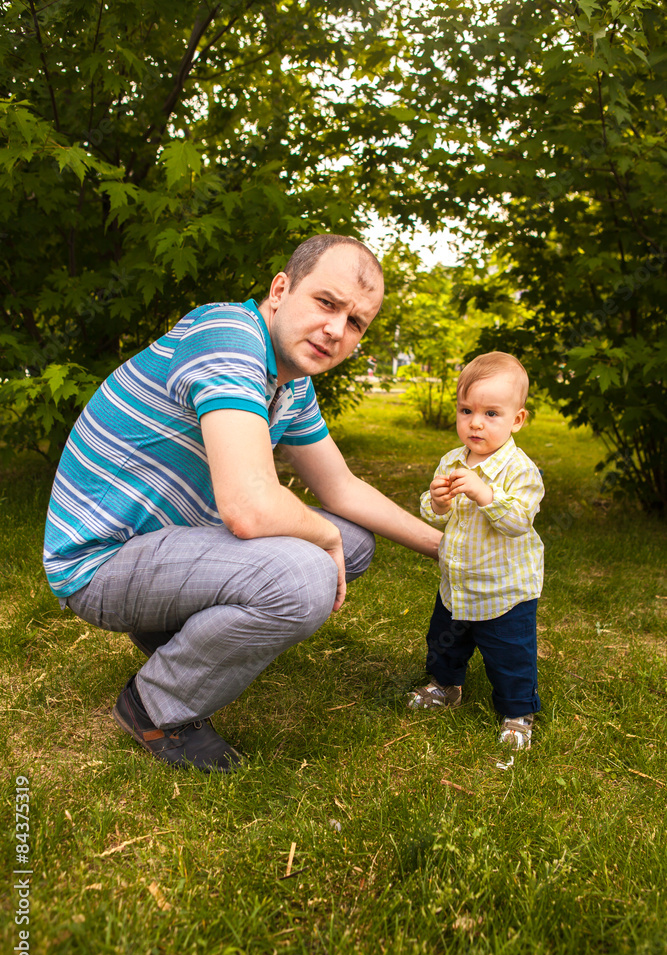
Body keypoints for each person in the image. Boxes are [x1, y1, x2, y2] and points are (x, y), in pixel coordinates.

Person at [43, 234, 442, 773]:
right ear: (281, 289)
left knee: (354, 543)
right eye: (326, 303)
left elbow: (340, 488)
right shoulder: (228, 338)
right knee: (306, 575)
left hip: (165, 544)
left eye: (355, 323)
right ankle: (157, 704)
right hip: (99, 562)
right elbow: (249, 507)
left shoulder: (291, 381)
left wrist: (444, 547)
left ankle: (173, 633)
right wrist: (318, 538)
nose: (335, 330)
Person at [409, 351, 544, 749]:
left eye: (491, 413)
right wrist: (434, 502)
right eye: (466, 410)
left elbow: (519, 522)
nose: (475, 422)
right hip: (457, 583)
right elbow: (435, 515)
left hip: (504, 591)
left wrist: (486, 495)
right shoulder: (452, 460)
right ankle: (445, 686)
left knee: (511, 656)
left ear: (517, 419)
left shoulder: (521, 470)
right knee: (443, 642)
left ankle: (518, 711)